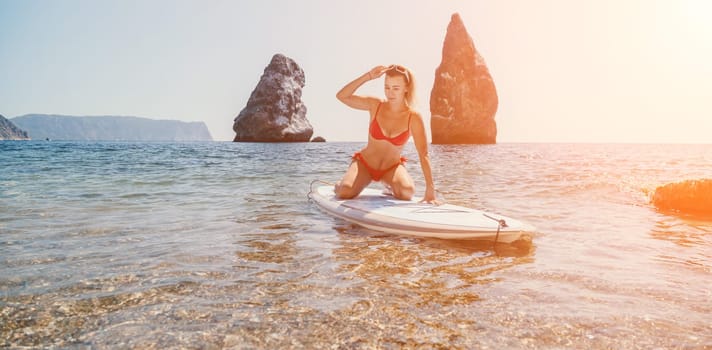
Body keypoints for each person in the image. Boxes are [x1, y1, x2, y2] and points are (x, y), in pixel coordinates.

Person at [335, 64, 438, 203]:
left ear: (406, 88)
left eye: (396, 88)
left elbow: (423, 154)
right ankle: (340, 184)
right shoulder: (375, 105)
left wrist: (430, 189)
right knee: (344, 192)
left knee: (407, 192)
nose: (390, 93)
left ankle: (390, 186)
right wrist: (368, 76)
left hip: (391, 168)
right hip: (365, 165)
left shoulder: (413, 117)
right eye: (387, 87)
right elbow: (342, 96)